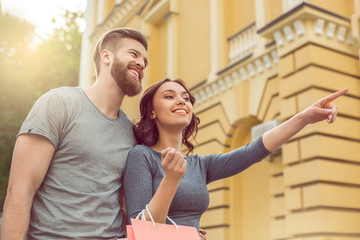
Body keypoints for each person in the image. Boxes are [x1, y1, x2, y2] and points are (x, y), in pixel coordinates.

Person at [123, 78, 348, 239]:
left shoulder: (201, 165)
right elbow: (142, 227)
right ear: (152, 112)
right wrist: (171, 179)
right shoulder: (141, 156)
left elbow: (254, 150)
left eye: (186, 98)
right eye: (169, 96)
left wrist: (305, 117)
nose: (182, 101)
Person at [1, 28, 148, 240]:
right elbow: (19, 191)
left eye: (145, 61)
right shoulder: (59, 103)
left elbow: (127, 209)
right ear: (106, 56)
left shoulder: (131, 133)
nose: (142, 64)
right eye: (134, 54)